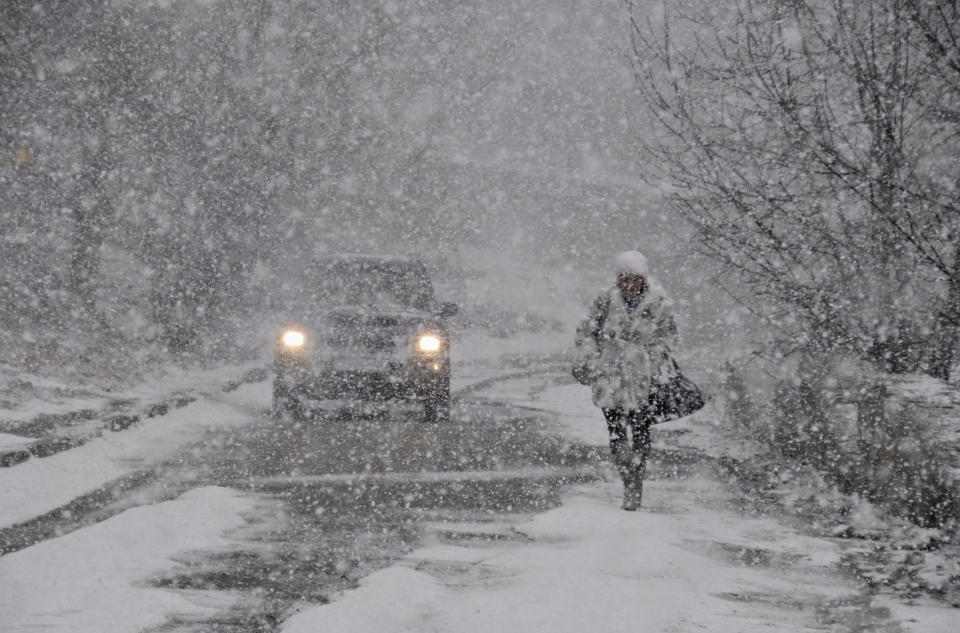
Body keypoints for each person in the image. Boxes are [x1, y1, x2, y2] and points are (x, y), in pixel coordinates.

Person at [574, 251, 678, 511]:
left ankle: (637, 479)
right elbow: (586, 331)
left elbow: (669, 336)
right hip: (610, 373)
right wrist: (591, 359)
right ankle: (627, 478)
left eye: (635, 279)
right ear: (618, 279)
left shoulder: (659, 302)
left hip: (644, 377)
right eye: (624, 279)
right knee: (616, 430)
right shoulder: (605, 300)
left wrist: (652, 359)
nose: (629, 285)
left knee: (641, 430)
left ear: (643, 279)